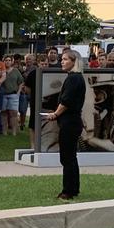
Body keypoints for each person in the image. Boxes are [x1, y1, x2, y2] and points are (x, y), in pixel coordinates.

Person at [43, 50, 86, 201]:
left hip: (70, 122)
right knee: (70, 157)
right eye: (62, 59)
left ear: (74, 62)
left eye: (66, 59)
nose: (62, 61)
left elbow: (66, 101)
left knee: (67, 158)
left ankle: (68, 191)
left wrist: (55, 114)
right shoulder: (74, 78)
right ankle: (73, 188)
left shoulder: (74, 79)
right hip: (71, 122)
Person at [0, 55, 23, 137]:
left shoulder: (16, 71)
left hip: (13, 94)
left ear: (12, 61)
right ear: (3, 61)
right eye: (6, 60)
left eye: (9, 60)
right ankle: (4, 132)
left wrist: (18, 92)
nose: (7, 62)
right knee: (4, 113)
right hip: (3, 95)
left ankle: (14, 132)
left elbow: (21, 82)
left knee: (14, 113)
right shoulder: (1, 71)